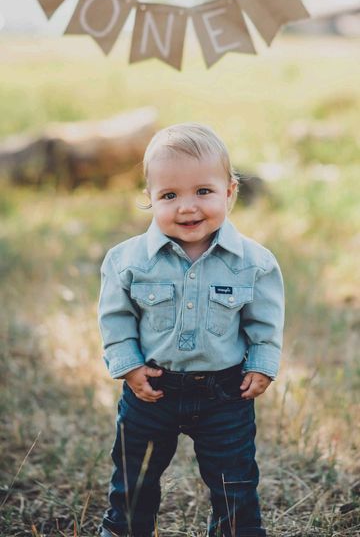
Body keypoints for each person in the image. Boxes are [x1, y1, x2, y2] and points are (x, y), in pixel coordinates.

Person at [98, 123, 285, 537]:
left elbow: (264, 322)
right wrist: (128, 367)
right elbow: (116, 319)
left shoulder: (255, 263)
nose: (187, 207)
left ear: (230, 192)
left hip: (225, 393)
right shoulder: (127, 261)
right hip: (152, 390)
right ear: (149, 199)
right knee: (134, 479)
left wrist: (263, 364)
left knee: (234, 482)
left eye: (203, 191)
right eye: (169, 195)